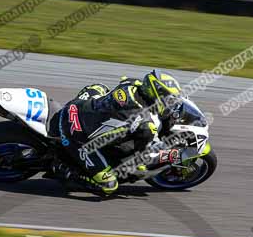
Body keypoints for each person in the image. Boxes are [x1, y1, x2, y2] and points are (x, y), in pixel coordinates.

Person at [49, 69, 184, 196]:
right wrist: (170, 155)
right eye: (169, 99)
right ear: (157, 94)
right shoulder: (146, 124)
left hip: (76, 107)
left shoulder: (131, 84)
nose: (170, 104)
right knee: (109, 185)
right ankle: (66, 171)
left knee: (100, 87)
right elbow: (142, 160)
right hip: (77, 136)